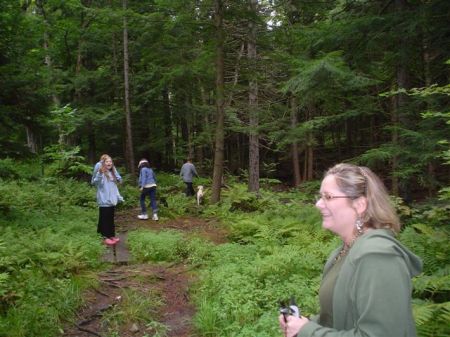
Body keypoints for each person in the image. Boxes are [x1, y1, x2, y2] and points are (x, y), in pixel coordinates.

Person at [279, 163, 422, 337]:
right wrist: (303, 323)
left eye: (328, 197)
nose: (318, 204)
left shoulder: (378, 257)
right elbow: (337, 318)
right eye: (320, 196)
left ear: (359, 204)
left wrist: (307, 331)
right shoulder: (344, 251)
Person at [91, 155, 123, 245]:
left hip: (111, 200)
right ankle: (105, 236)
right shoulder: (101, 174)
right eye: (107, 161)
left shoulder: (111, 173)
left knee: (110, 218)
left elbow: (117, 182)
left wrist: (119, 179)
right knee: (105, 218)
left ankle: (111, 235)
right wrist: (100, 173)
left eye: (110, 161)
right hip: (104, 199)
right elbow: (96, 182)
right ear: (103, 164)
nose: (109, 163)